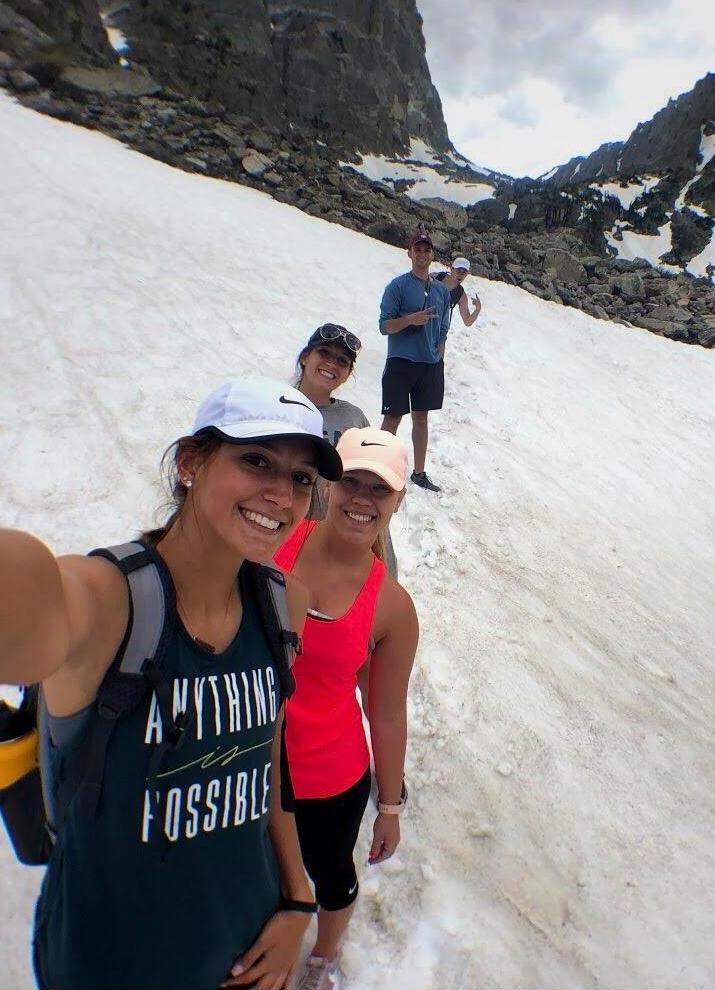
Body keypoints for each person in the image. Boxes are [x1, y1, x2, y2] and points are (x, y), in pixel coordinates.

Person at [0, 377, 342, 990]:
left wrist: (296, 900)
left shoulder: (283, 601)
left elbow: (266, 763)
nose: (282, 495)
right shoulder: (110, 600)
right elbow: (29, 600)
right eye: (256, 459)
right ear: (190, 462)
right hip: (107, 964)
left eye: (299, 478)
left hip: (246, 948)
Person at [273, 427, 419, 990]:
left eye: (378, 490)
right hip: (244, 756)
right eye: (350, 481)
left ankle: (323, 956)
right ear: (329, 484)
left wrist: (389, 806)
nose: (362, 499)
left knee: (331, 874)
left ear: (398, 500)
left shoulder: (391, 606)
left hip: (328, 778)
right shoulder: (274, 541)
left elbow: (385, 713)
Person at [292, 323, 398, 577]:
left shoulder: (353, 417)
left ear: (348, 372)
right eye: (324, 353)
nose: (332, 364)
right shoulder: (278, 406)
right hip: (287, 535)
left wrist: (386, 570)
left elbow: (375, 482)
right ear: (306, 357)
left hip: (341, 538)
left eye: (342, 361)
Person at [379, 232, 451, 493]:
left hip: (430, 364)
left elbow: (444, 323)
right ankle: (378, 466)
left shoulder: (441, 290)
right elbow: (384, 326)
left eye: (426, 250)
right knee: (393, 417)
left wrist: (441, 345)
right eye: (417, 250)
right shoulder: (397, 286)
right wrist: (411, 319)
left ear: (432, 255)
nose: (422, 254)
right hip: (401, 360)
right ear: (409, 253)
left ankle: (419, 473)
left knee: (422, 418)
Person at [433, 257, 482, 328]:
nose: (460, 275)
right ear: (452, 269)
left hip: (438, 327)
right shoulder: (435, 277)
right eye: (458, 270)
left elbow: (467, 321)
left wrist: (478, 309)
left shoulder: (461, 295)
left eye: (464, 272)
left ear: (467, 274)